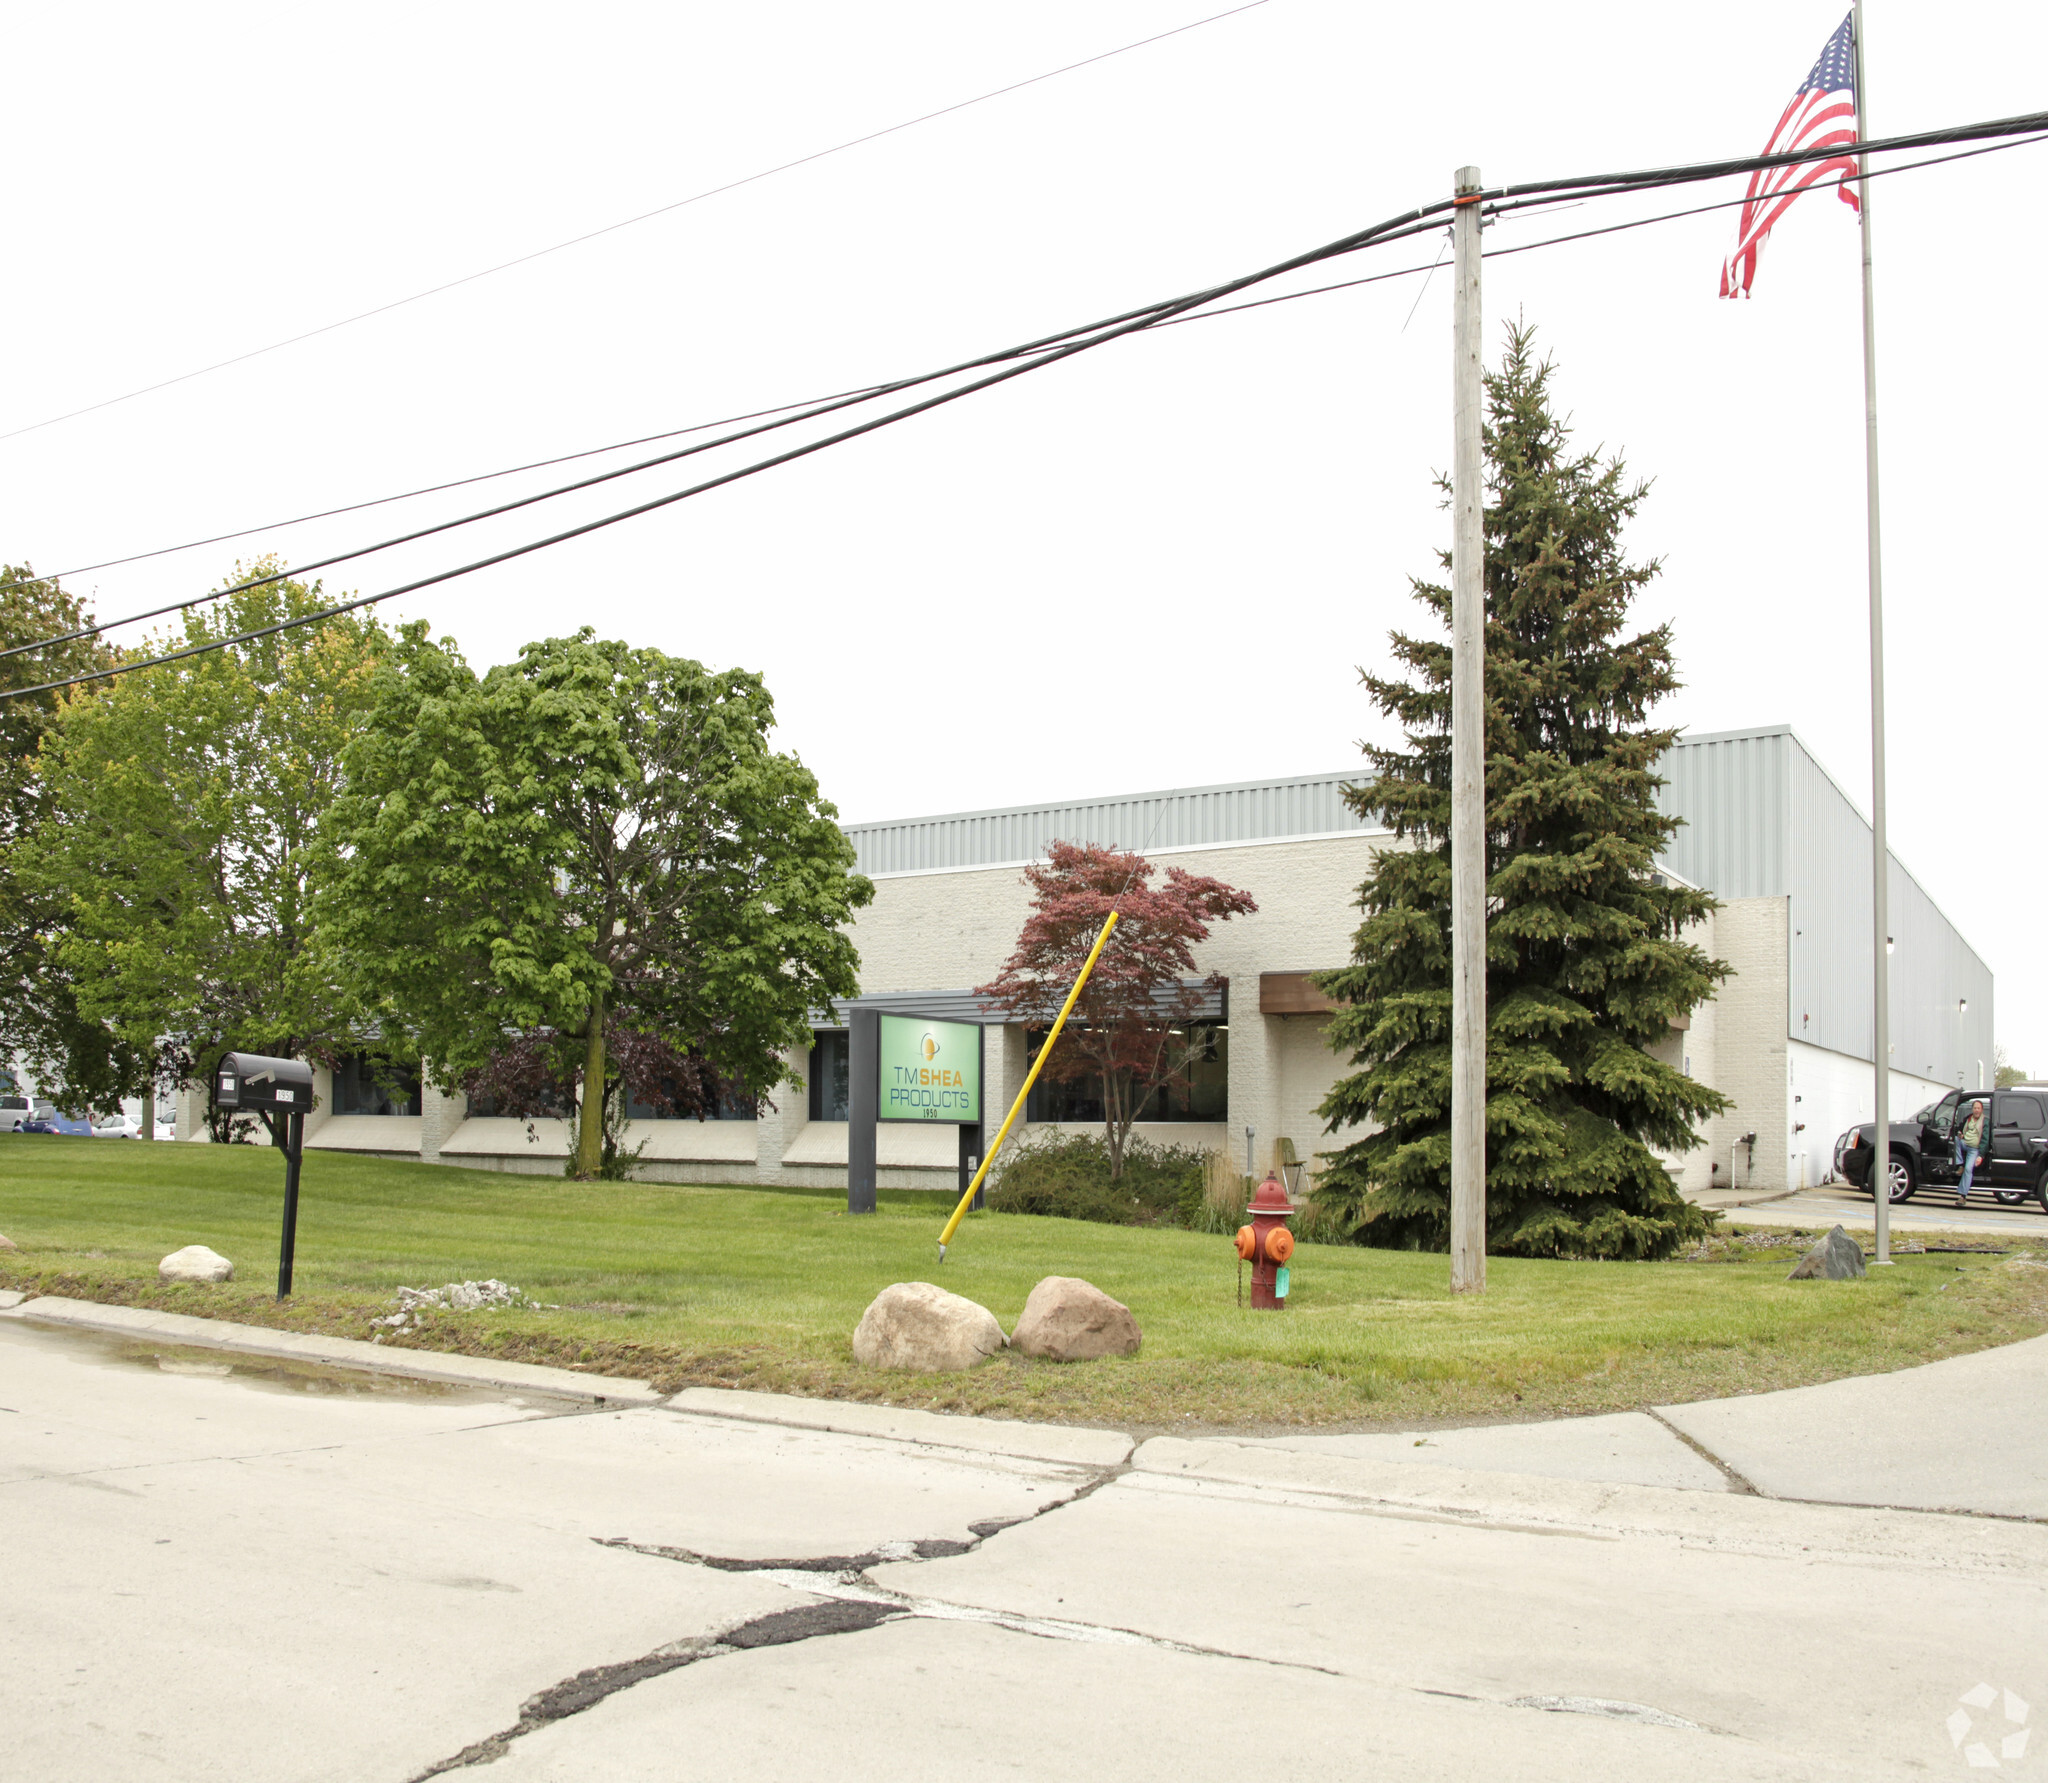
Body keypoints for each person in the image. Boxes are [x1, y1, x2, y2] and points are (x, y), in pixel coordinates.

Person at [1955, 1097, 1989, 1205]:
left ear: (1982, 1110)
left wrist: (1981, 1155)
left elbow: (1985, 1139)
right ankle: (1960, 1164)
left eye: (1978, 1108)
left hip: (1974, 1149)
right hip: (1964, 1143)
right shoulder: (1968, 1119)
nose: (1976, 1110)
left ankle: (1962, 1196)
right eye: (1975, 1108)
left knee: (1969, 1169)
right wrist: (1960, 1134)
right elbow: (1959, 1129)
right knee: (1955, 1140)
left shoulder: (1985, 1121)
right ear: (1972, 1109)